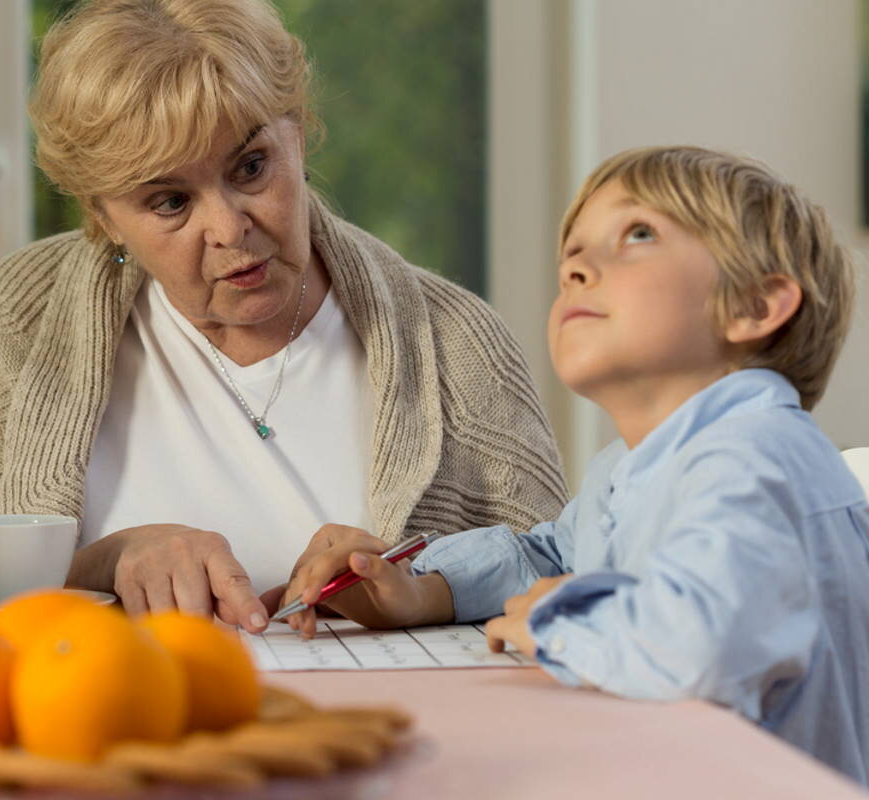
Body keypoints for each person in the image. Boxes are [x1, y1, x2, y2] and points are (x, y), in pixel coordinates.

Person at [0, 0, 566, 632]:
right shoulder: (22, 313)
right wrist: (107, 562)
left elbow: (560, 583)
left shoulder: (455, 339)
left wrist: (417, 585)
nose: (230, 227)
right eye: (170, 202)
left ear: (299, 130)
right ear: (103, 217)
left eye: (251, 167)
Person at [280, 146, 869, 783]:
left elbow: (701, 643)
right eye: (572, 251)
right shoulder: (632, 466)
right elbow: (553, 558)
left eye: (637, 234)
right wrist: (419, 588)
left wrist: (560, 618)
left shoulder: (754, 458)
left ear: (754, 306)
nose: (576, 268)